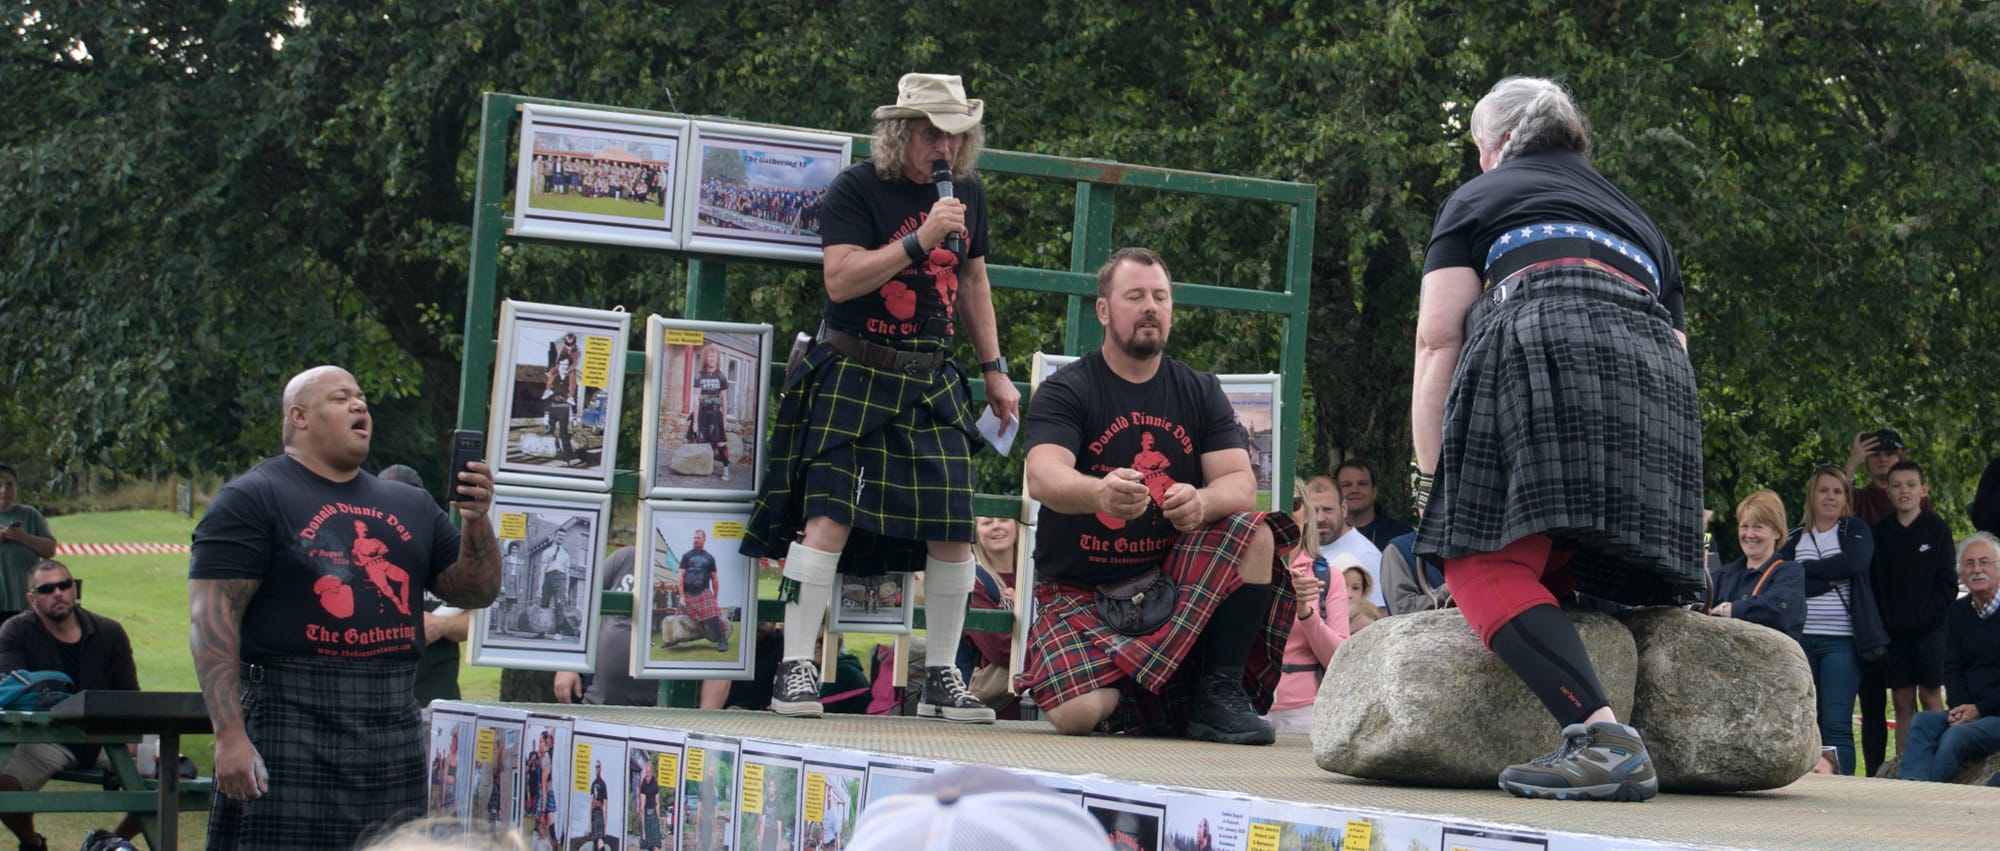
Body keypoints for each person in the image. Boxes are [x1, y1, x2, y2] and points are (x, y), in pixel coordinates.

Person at [1412, 77, 1701, 801]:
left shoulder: (1478, 198)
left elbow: (1437, 337)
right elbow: (1678, 348)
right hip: (1655, 382)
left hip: (1540, 333)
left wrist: (1434, 488)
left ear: (1495, 144)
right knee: (1555, 560)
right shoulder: (1640, 221)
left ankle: (1604, 739)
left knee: (1476, 565)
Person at [742, 72, 1017, 723]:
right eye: (930, 132)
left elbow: (975, 282)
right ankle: (797, 668)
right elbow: (839, 280)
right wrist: (919, 239)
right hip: (855, 370)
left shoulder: (968, 193)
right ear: (900, 133)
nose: (943, 146)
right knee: (829, 516)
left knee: (954, 529)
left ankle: (944, 677)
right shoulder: (857, 188)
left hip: (931, 377)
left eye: (955, 133)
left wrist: (995, 369)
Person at [189, 365, 500, 849]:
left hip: (391, 716)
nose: (360, 406)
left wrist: (477, 521)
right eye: (341, 398)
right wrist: (230, 736)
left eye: (362, 398)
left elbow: (475, 593)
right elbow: (213, 617)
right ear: (299, 416)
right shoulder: (253, 497)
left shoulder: (411, 504)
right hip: (288, 714)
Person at [1017, 247, 1300, 745]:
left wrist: (1201, 502)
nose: (1151, 307)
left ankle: (1217, 693)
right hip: (1079, 592)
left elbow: (1239, 483)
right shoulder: (1068, 390)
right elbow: (1043, 476)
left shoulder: (1199, 389)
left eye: (1160, 297)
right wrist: (1099, 494)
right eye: (1135, 296)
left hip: (1169, 583)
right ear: (1104, 310)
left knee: (1254, 532)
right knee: (1078, 712)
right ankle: (1154, 693)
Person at [0, 560, 143, 850]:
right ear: (31, 598)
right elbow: (11, 694)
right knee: (3, 784)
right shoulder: (14, 631)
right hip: (46, 738)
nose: (58, 593)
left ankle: (108, 843)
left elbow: (131, 697)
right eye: (47, 588)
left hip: (106, 737)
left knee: (176, 778)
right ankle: (32, 843)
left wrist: (130, 742)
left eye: (65, 585)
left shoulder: (109, 631)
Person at [1778, 464, 1885, 775]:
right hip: (1800, 640)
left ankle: (1843, 787)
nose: (1830, 497)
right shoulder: (1794, 537)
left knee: (1836, 723)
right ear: (1813, 495)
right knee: (1805, 720)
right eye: (1824, 490)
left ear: (1845, 498)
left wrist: (1804, 572)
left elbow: (1855, 563)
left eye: (1837, 491)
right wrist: (1828, 579)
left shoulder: (1856, 530)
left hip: (1842, 641)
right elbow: (1786, 579)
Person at [1869, 460, 1958, 756]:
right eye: (1896, 485)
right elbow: (1875, 585)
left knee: (1931, 695)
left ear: (1923, 490)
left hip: (1931, 631)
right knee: (1902, 700)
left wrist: (1925, 619)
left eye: (1910, 484)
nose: (1903, 491)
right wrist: (1888, 623)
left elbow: (1947, 584)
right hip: (1894, 634)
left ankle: (1943, 762)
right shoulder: (1879, 534)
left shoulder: (1938, 530)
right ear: (1888, 492)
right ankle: (1905, 765)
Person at [1897, 533, 2000, 782]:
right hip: (1971, 710)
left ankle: (1927, 801)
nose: (1977, 569)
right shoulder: (1957, 612)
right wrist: (1961, 708)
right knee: (1922, 721)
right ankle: (1909, 793)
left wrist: (1979, 709)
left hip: (1994, 713)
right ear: (1961, 574)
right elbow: (1951, 667)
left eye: (1984, 562)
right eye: (1969, 564)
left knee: (1956, 737)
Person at [378, 464, 472, 706]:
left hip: (435, 695)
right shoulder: (363, 557)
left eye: (407, 500)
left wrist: (441, 625)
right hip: (375, 696)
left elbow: (481, 624)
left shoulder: (443, 552)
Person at [1264, 479, 1348, 734]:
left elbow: (1339, 658)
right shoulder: (1241, 572)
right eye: (1277, 504)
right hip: (1250, 706)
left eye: (1294, 503)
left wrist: (1305, 612)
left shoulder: (1328, 576)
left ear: (1307, 514)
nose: (1286, 512)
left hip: (1308, 712)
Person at [553, 546, 658, 707]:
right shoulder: (627, 557)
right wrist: (570, 664)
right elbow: (584, 602)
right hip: (599, 702)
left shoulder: (688, 569)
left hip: (664, 711)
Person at [1707, 490, 1805, 638]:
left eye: (1758, 527)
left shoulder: (1790, 573)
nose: (1749, 534)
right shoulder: (1722, 576)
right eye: (1744, 526)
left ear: (1777, 532)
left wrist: (1728, 610)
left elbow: (1779, 611)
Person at [958, 516, 1019, 714]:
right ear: (976, 533)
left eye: (1003, 519)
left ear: (1017, 526)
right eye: (986, 523)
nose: (996, 526)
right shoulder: (973, 582)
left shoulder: (1036, 576)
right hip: (992, 717)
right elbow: (1000, 649)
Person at [1308, 476, 1385, 609]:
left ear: (1343, 509)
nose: (1320, 518)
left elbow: (1378, 616)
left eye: (1328, 510)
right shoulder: (1298, 548)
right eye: (1313, 511)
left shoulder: (1366, 555)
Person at [0, 464, 58, 623]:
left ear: (17, 488)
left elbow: (50, 550)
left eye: (9, 485)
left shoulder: (30, 515)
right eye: (0, 485)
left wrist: (23, 537)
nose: (4, 490)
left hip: (25, 604)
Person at [1842, 429, 1929, 526]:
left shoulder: (1917, 498)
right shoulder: (1859, 499)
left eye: (1889, 454)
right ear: (1867, 461)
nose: (1882, 459)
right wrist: (1853, 461)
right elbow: (1837, 496)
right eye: (1875, 454)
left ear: (1900, 459)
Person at [1334, 459, 1414, 550]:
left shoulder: (1401, 534)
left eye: (1362, 484)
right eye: (1347, 485)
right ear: (1336, 493)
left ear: (1374, 491)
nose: (1354, 490)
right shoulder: (1326, 535)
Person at [675, 530, 729, 652]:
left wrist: (715, 598)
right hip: (688, 594)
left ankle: (722, 639)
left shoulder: (709, 558)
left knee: (713, 613)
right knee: (679, 617)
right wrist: (682, 596)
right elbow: (680, 577)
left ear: (704, 540)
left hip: (704, 592)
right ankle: (671, 639)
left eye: (698, 538)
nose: (695, 540)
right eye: (694, 538)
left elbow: (714, 579)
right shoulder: (686, 556)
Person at [691, 346, 733, 481]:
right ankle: (697, 470)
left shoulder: (721, 376)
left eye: (714, 357)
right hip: (702, 413)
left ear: (717, 359)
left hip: (716, 414)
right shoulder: (699, 376)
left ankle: (726, 469)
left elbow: (724, 400)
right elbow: (696, 399)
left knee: (720, 443)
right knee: (697, 440)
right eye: (709, 356)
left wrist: (725, 420)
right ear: (705, 358)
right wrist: (695, 422)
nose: (712, 359)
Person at [1340, 558, 1384, 634]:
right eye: (1342, 587)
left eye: (1355, 588)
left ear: (1364, 591)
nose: (1349, 595)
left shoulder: (1372, 615)